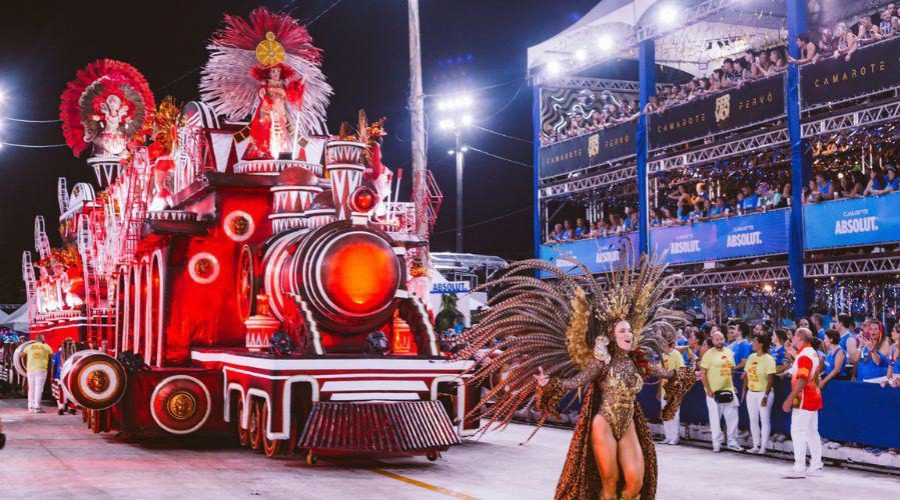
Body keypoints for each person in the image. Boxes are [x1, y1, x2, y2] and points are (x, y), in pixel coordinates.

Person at [460, 256, 695, 499]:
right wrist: (548, 384)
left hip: (628, 423)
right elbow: (574, 382)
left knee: (635, 482)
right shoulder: (600, 362)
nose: (628, 333)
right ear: (612, 336)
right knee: (610, 484)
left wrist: (687, 373)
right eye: (622, 330)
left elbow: (666, 373)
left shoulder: (638, 361)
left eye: (630, 330)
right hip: (604, 422)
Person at [781, 328, 824, 478]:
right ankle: (816, 466)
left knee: (798, 431)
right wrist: (792, 351)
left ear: (799, 337)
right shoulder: (810, 352)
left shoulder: (804, 356)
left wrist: (789, 398)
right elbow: (802, 365)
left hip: (803, 397)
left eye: (793, 336)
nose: (792, 338)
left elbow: (803, 378)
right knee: (812, 432)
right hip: (813, 396)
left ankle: (799, 467)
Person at [700, 330, 743, 452]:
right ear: (713, 341)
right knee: (715, 419)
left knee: (733, 417)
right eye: (717, 339)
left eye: (721, 339)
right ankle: (716, 443)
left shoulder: (729, 352)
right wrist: (708, 389)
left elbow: (731, 370)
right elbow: (703, 373)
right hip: (713, 392)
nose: (719, 341)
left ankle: (732, 442)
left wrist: (732, 385)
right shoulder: (708, 354)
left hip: (728, 390)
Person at [742, 332, 777, 454]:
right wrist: (744, 391)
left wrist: (766, 395)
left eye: (755, 341)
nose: (753, 343)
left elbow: (771, 378)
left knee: (764, 419)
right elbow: (746, 375)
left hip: (763, 393)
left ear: (761, 344)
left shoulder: (769, 359)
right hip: (751, 392)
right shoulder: (751, 357)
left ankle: (763, 446)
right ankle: (756, 445)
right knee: (753, 419)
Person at [660, 332, 686, 445]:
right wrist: (658, 390)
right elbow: (661, 374)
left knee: (674, 414)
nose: (660, 344)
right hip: (663, 389)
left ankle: (674, 437)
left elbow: (682, 370)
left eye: (662, 341)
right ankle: (668, 436)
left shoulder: (676, 354)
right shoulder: (662, 355)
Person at [24, 335, 54, 413]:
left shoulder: (29, 346)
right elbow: (52, 356)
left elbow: (21, 355)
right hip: (41, 369)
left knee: (31, 388)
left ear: (35, 340)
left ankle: (30, 407)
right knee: (39, 388)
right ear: (43, 339)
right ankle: (37, 407)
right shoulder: (46, 346)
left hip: (30, 369)